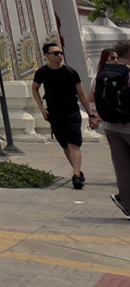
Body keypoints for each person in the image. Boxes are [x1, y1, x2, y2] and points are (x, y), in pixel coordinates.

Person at [32, 41, 94, 187]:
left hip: (71, 112)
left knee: (74, 144)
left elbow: (81, 94)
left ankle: (76, 175)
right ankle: (77, 170)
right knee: (65, 145)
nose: (59, 55)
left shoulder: (70, 72)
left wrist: (90, 114)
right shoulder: (42, 72)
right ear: (47, 56)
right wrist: (42, 109)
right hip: (54, 113)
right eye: (56, 53)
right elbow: (34, 88)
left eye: (61, 53)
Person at [94, 46, 130, 217]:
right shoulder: (127, 73)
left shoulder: (103, 74)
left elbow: (94, 96)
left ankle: (127, 204)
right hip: (128, 124)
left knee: (122, 168)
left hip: (111, 126)